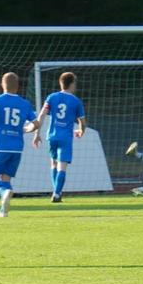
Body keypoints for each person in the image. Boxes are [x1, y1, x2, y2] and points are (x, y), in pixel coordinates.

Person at [0, 72, 39, 217]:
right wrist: (26, 129)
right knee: (6, 178)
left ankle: (4, 191)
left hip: (0, 146)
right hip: (17, 148)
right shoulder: (25, 103)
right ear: (18, 86)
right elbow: (36, 124)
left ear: (2, 85)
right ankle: (3, 211)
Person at [32, 71, 86, 203]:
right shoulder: (76, 101)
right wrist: (81, 131)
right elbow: (82, 121)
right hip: (65, 138)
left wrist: (36, 134)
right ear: (72, 84)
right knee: (62, 166)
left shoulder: (52, 97)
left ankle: (57, 192)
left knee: (53, 164)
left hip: (52, 136)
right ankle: (56, 194)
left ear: (61, 83)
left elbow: (41, 116)